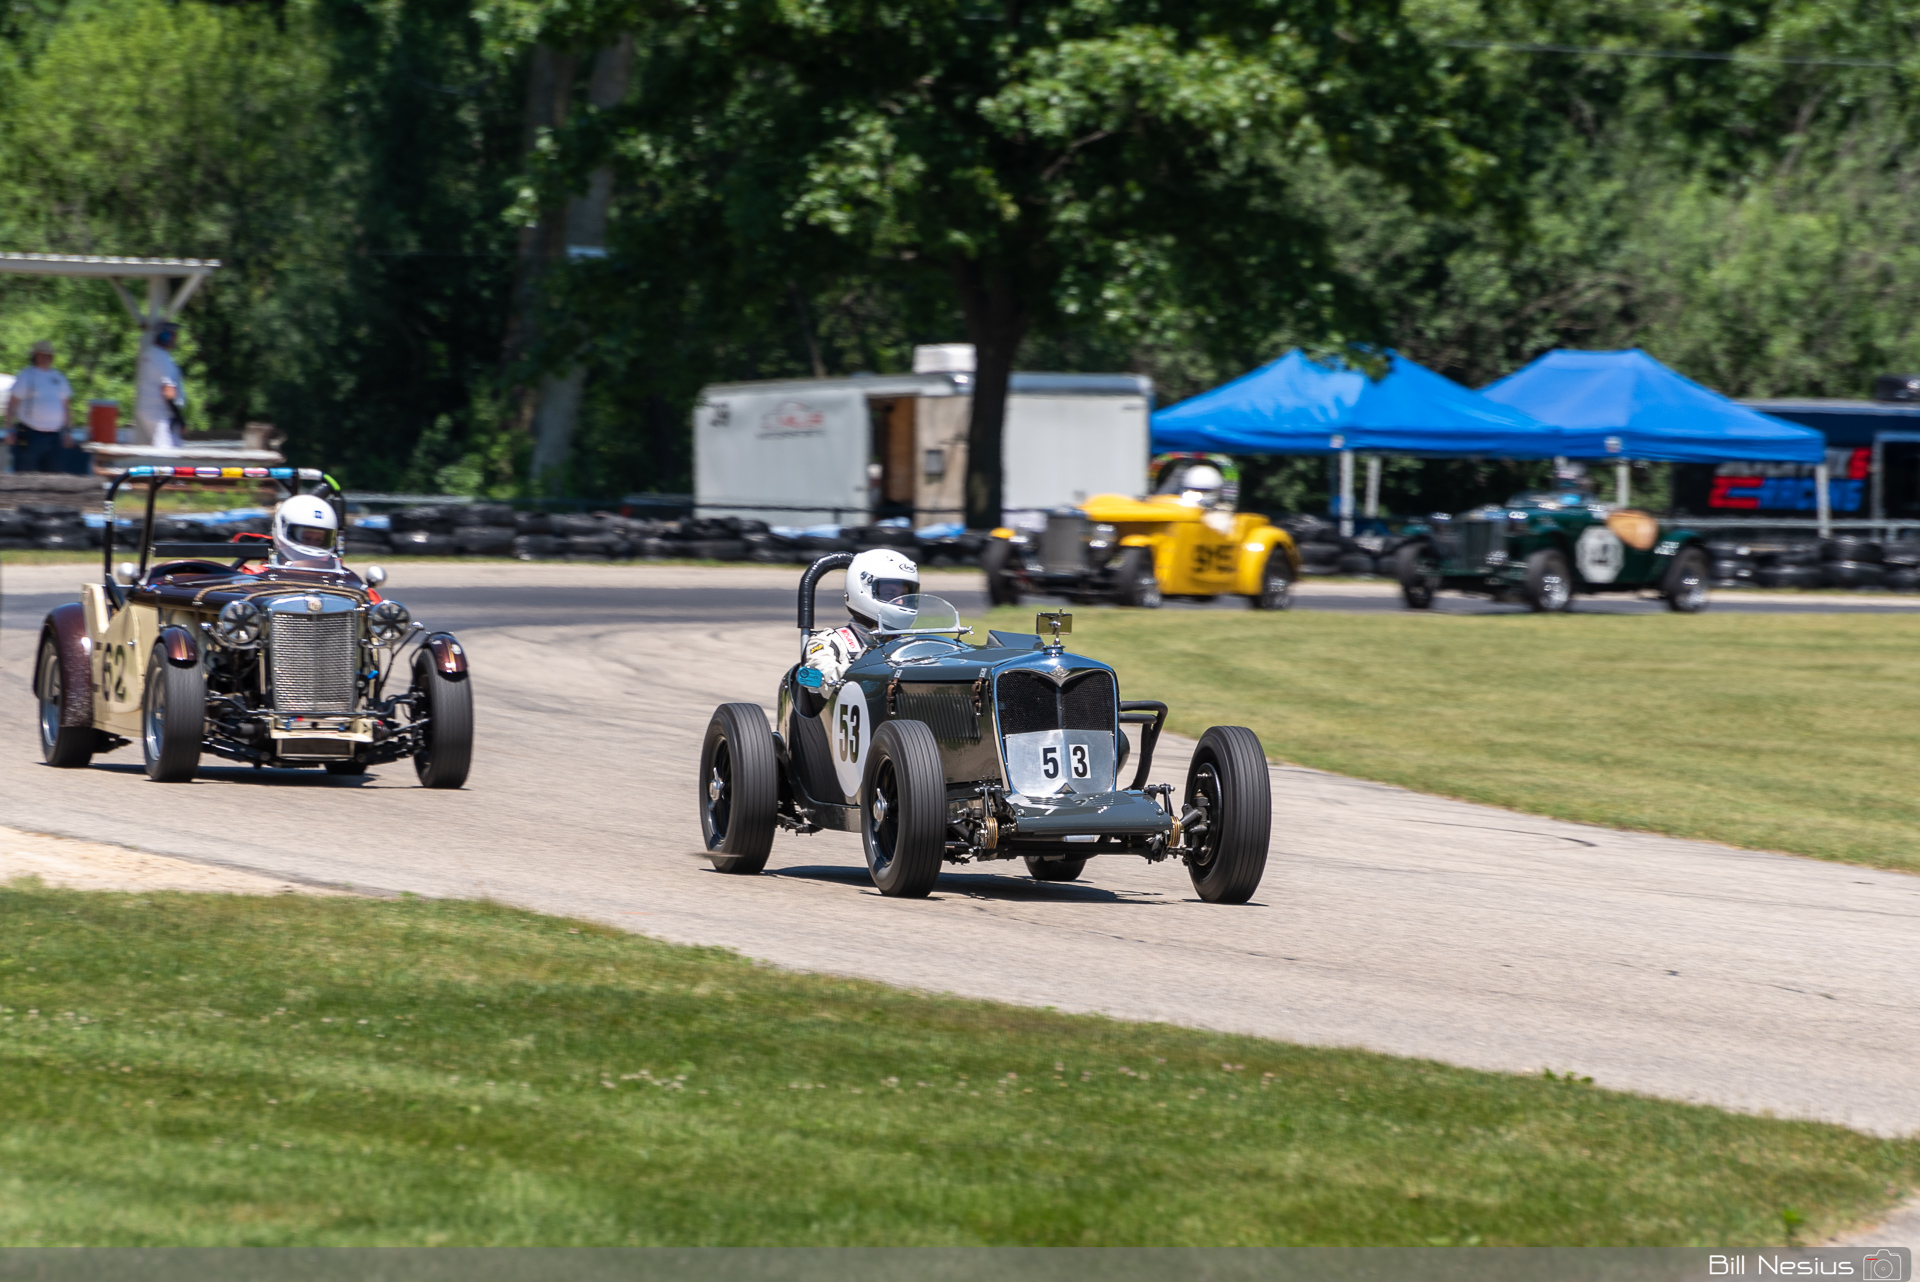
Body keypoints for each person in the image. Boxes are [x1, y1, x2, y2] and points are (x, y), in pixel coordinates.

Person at [797, 548, 918, 697]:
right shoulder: (829, 642)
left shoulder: (910, 645)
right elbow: (825, 682)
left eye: (905, 595)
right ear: (861, 590)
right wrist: (869, 668)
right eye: (890, 594)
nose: (900, 601)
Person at [7, 340, 73, 474]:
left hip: (54, 435)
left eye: (48, 355)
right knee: (24, 475)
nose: (45, 357)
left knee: (53, 477)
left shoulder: (58, 378)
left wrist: (67, 432)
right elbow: (12, 403)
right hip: (30, 433)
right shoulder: (27, 375)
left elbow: (66, 407)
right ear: (35, 356)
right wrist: (9, 429)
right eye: (42, 354)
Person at [134, 323, 188, 448]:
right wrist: (178, 417)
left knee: (177, 449)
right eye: (174, 335)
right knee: (166, 454)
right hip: (161, 414)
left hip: (148, 410)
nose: (176, 338)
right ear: (166, 336)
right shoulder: (163, 358)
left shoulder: (149, 354)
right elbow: (168, 391)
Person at [269, 494, 342, 570]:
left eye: (319, 540)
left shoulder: (337, 575)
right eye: (306, 538)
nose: (313, 545)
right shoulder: (263, 573)